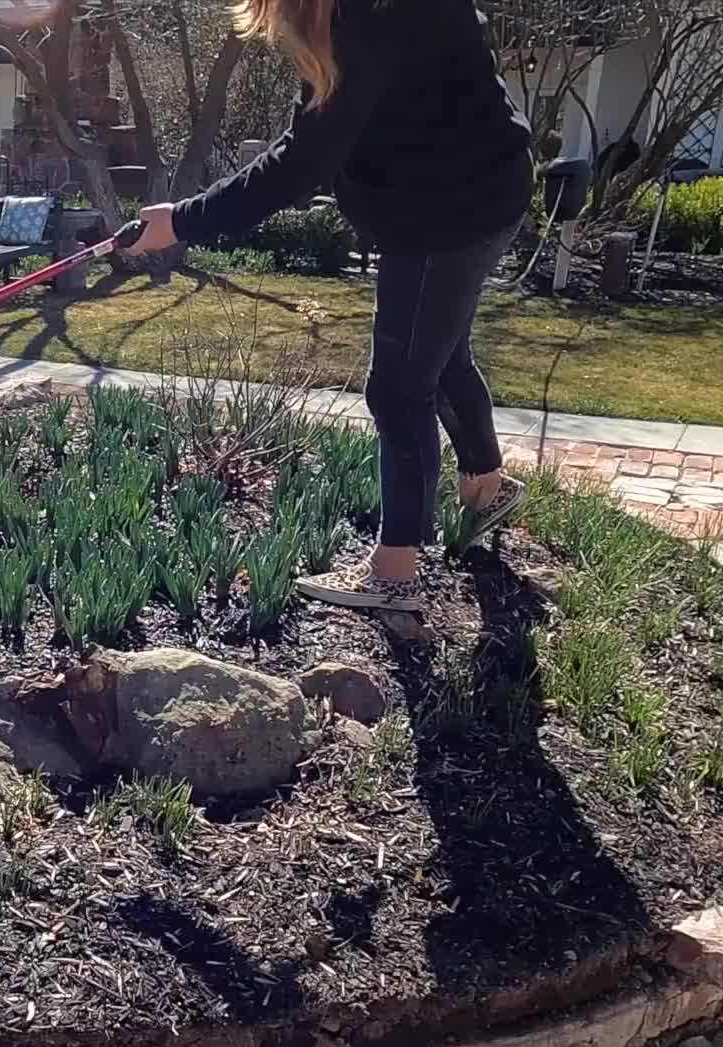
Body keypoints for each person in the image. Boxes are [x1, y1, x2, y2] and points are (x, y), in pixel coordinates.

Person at [126, 0, 533, 615]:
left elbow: (300, 162)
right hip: (479, 190)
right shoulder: (363, 16)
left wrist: (183, 221)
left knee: (398, 389)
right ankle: (486, 487)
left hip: (446, 212)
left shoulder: (368, 19)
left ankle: (395, 573)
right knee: (439, 353)